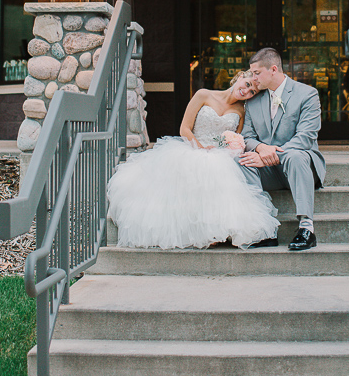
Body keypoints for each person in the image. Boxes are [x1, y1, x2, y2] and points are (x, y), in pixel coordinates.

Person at [107, 70, 279, 250]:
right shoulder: (203, 94)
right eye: (248, 84)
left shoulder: (241, 111)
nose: (247, 91)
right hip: (192, 148)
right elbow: (185, 129)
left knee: (222, 176)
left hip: (220, 156)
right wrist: (201, 148)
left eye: (252, 92)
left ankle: (216, 231)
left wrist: (230, 148)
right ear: (240, 77)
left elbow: (237, 139)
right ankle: (200, 232)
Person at [239, 47, 325, 251]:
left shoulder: (307, 94)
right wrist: (261, 148)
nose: (253, 78)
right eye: (251, 73)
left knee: (295, 155)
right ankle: (264, 229)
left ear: (273, 69)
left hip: (300, 166)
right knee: (241, 162)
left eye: (257, 73)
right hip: (272, 171)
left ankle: (306, 229)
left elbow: (306, 138)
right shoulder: (253, 101)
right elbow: (247, 137)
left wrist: (272, 155)